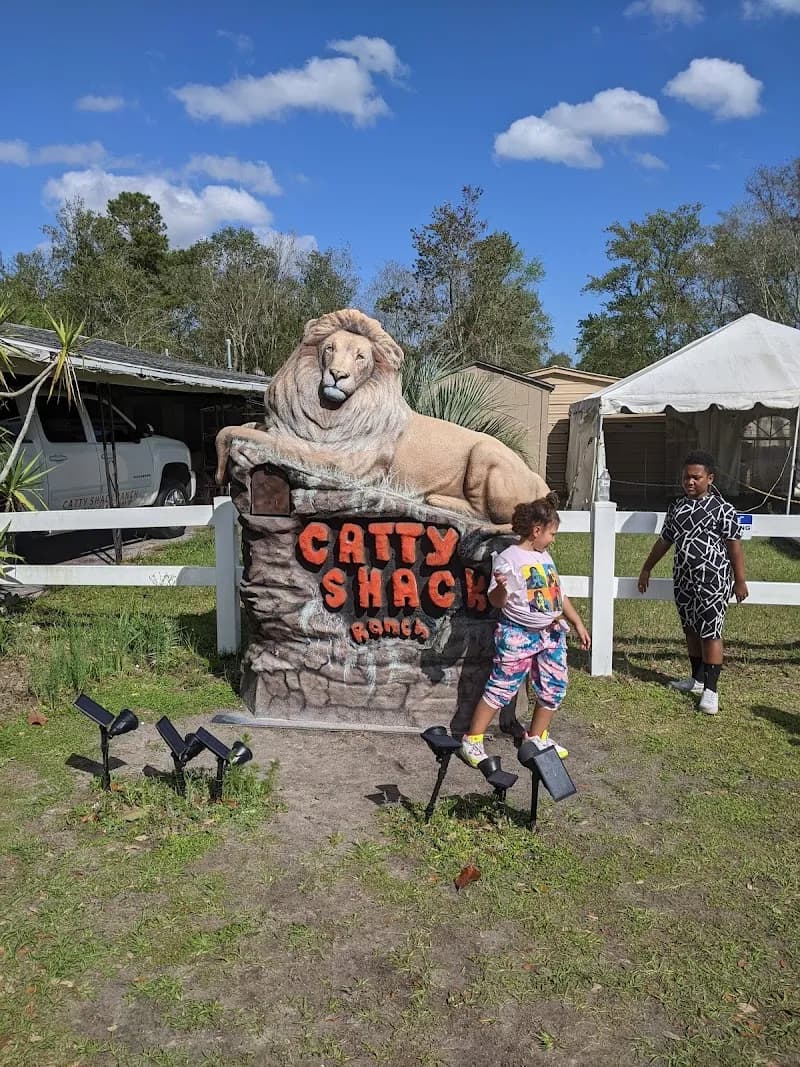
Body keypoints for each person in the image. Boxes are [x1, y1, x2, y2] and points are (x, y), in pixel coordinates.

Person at [460, 493, 591, 769]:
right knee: (502, 686)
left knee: (554, 686)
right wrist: (502, 588)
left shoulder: (545, 557)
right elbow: (496, 601)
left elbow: (558, 594)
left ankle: (536, 738)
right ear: (537, 530)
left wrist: (577, 622)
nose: (553, 539)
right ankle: (472, 740)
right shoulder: (508, 559)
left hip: (551, 635)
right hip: (518, 635)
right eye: (552, 533)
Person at [637, 450, 748, 716]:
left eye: (696, 478)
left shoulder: (724, 510)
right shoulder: (677, 507)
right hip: (684, 579)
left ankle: (711, 690)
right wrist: (647, 568)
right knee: (690, 630)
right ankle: (697, 680)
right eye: (686, 477)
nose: (690, 482)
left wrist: (740, 580)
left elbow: (734, 547)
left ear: (710, 478)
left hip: (713, 580)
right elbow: (665, 541)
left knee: (710, 633)